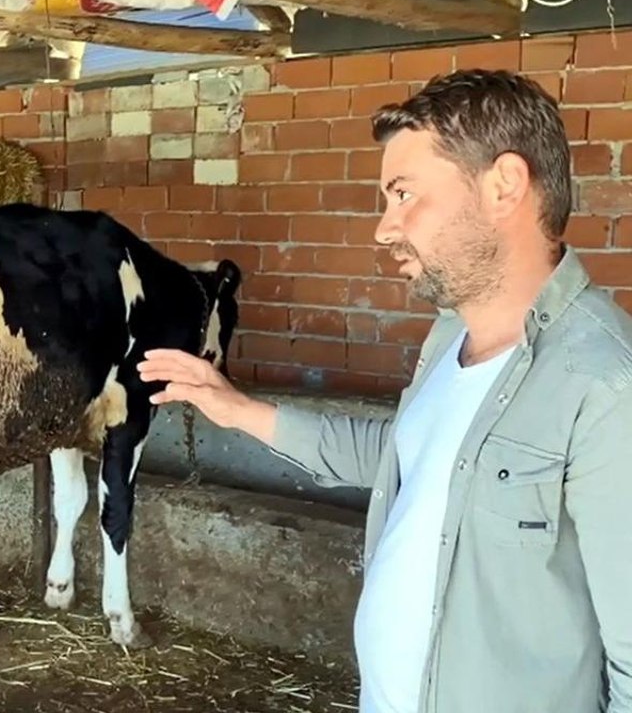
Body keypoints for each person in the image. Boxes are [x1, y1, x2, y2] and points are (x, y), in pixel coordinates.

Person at [139, 68, 632, 713]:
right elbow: (405, 459)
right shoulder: (450, 337)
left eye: (404, 194)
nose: (385, 228)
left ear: (505, 186)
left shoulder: (604, 382)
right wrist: (235, 408)